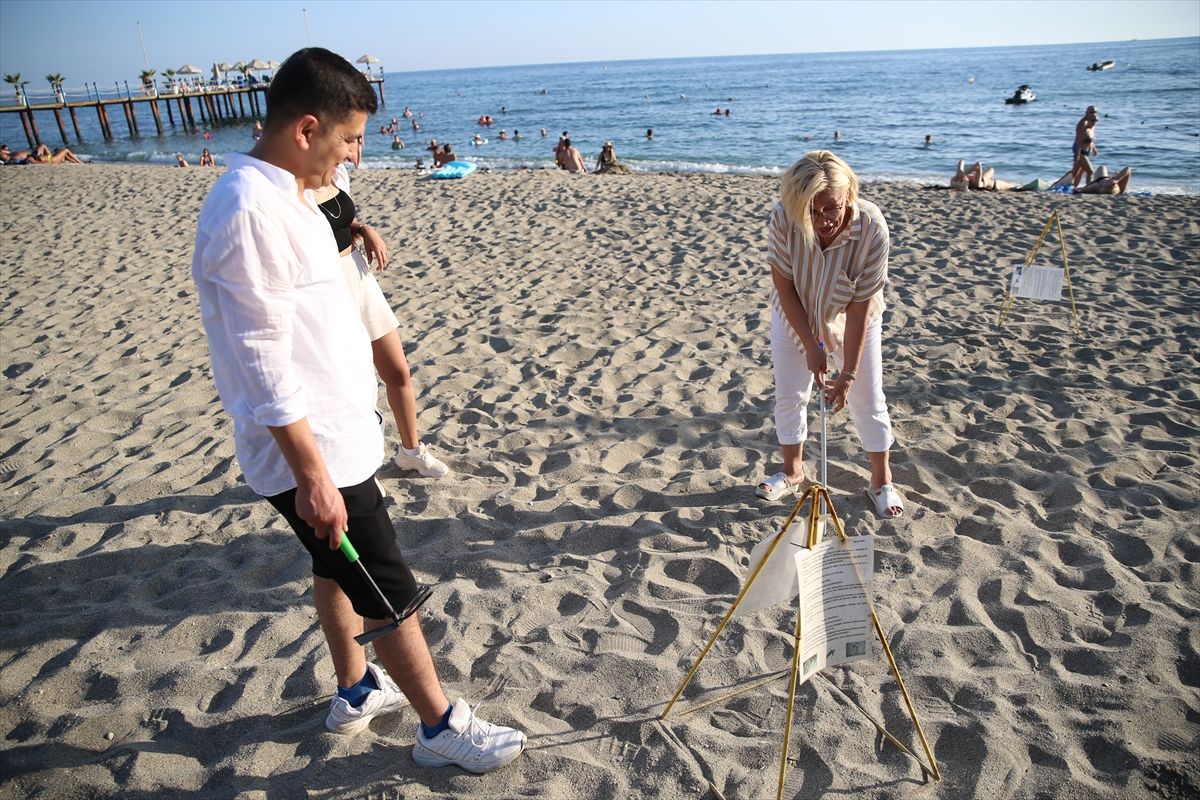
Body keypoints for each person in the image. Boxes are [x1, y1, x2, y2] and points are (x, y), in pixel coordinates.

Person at [190, 47, 525, 773]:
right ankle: (439, 728)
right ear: (306, 128)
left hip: (337, 440)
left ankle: (355, 688)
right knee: (385, 585)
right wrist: (311, 476)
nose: (352, 158)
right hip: (312, 453)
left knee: (336, 569)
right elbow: (264, 363)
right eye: (347, 141)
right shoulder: (248, 210)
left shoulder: (295, 195)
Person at [756, 151, 904, 518]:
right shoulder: (784, 218)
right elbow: (785, 288)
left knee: (867, 398)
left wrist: (848, 373)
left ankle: (881, 481)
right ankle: (793, 472)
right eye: (813, 210)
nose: (822, 219)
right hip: (796, 314)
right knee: (790, 395)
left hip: (852, 315)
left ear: (849, 195)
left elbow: (860, 307)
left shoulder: (872, 228)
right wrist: (811, 345)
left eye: (831, 208)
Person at [317, 141, 451, 479]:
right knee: (350, 386)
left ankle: (410, 451)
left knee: (398, 372)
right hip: (327, 287)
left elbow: (341, 221)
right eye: (351, 139)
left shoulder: (337, 173)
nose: (356, 147)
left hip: (359, 275)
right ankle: (356, 474)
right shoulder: (292, 185)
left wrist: (364, 229)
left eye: (359, 140)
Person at [1070, 106, 1099, 189]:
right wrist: (1077, 155)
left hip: (1085, 152)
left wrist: (1093, 148)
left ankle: (1072, 187)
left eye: (1095, 112)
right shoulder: (1083, 124)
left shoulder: (1092, 125)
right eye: (1091, 111)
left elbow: (1091, 139)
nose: (1093, 113)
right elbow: (1079, 140)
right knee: (1090, 172)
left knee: (1076, 172)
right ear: (1087, 112)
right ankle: (1088, 188)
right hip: (1080, 151)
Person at [950, 160, 1015, 192]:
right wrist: (965, 173)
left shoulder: (959, 176)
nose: (963, 178)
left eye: (959, 179)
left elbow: (961, 161)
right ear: (968, 183)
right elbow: (978, 165)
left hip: (985, 178)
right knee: (1012, 186)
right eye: (964, 180)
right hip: (996, 185)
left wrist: (961, 173)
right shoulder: (976, 183)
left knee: (991, 169)